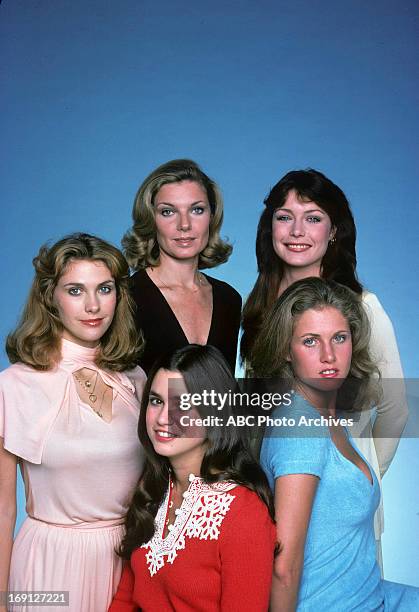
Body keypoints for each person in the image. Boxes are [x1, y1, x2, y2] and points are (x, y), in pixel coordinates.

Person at [241, 168, 408, 566]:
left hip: (341, 511)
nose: (297, 230)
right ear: (271, 227)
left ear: (334, 231)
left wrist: (352, 474)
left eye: (313, 218)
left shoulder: (364, 308)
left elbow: (396, 410)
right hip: (272, 488)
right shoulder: (258, 306)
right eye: (285, 217)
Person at [0, 233, 146, 612]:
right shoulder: (13, 385)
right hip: (49, 564)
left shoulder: (137, 379)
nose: (93, 305)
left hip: (129, 563)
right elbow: (2, 511)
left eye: (105, 289)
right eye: (76, 290)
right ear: (51, 297)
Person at [255, 277, 419, 611]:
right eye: (310, 341)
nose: (329, 355)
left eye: (339, 338)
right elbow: (284, 567)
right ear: (286, 350)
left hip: (373, 596)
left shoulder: (328, 417)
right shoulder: (300, 430)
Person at [109, 344, 276, 612]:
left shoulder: (243, 511)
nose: (163, 418)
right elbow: (125, 598)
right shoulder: (154, 489)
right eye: (156, 401)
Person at [122, 159, 242, 374]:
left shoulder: (229, 299)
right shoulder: (126, 297)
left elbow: (224, 394)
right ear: (151, 219)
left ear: (212, 217)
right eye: (168, 212)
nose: (184, 225)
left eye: (197, 210)